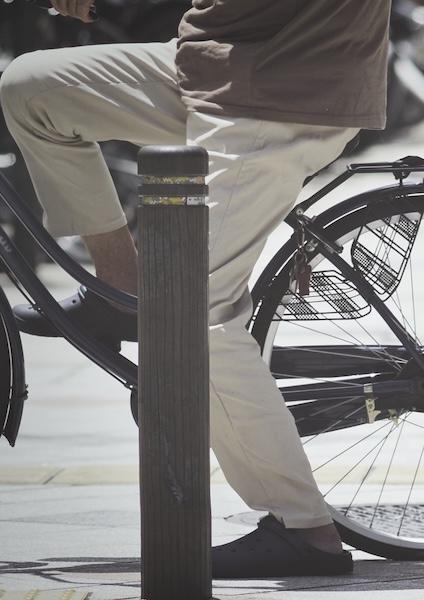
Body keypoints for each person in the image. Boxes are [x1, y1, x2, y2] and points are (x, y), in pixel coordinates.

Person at [0, 0, 389, 578]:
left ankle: (307, 531)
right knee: (34, 89)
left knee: (193, 317)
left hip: (283, 86)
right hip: (215, 68)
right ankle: (119, 289)